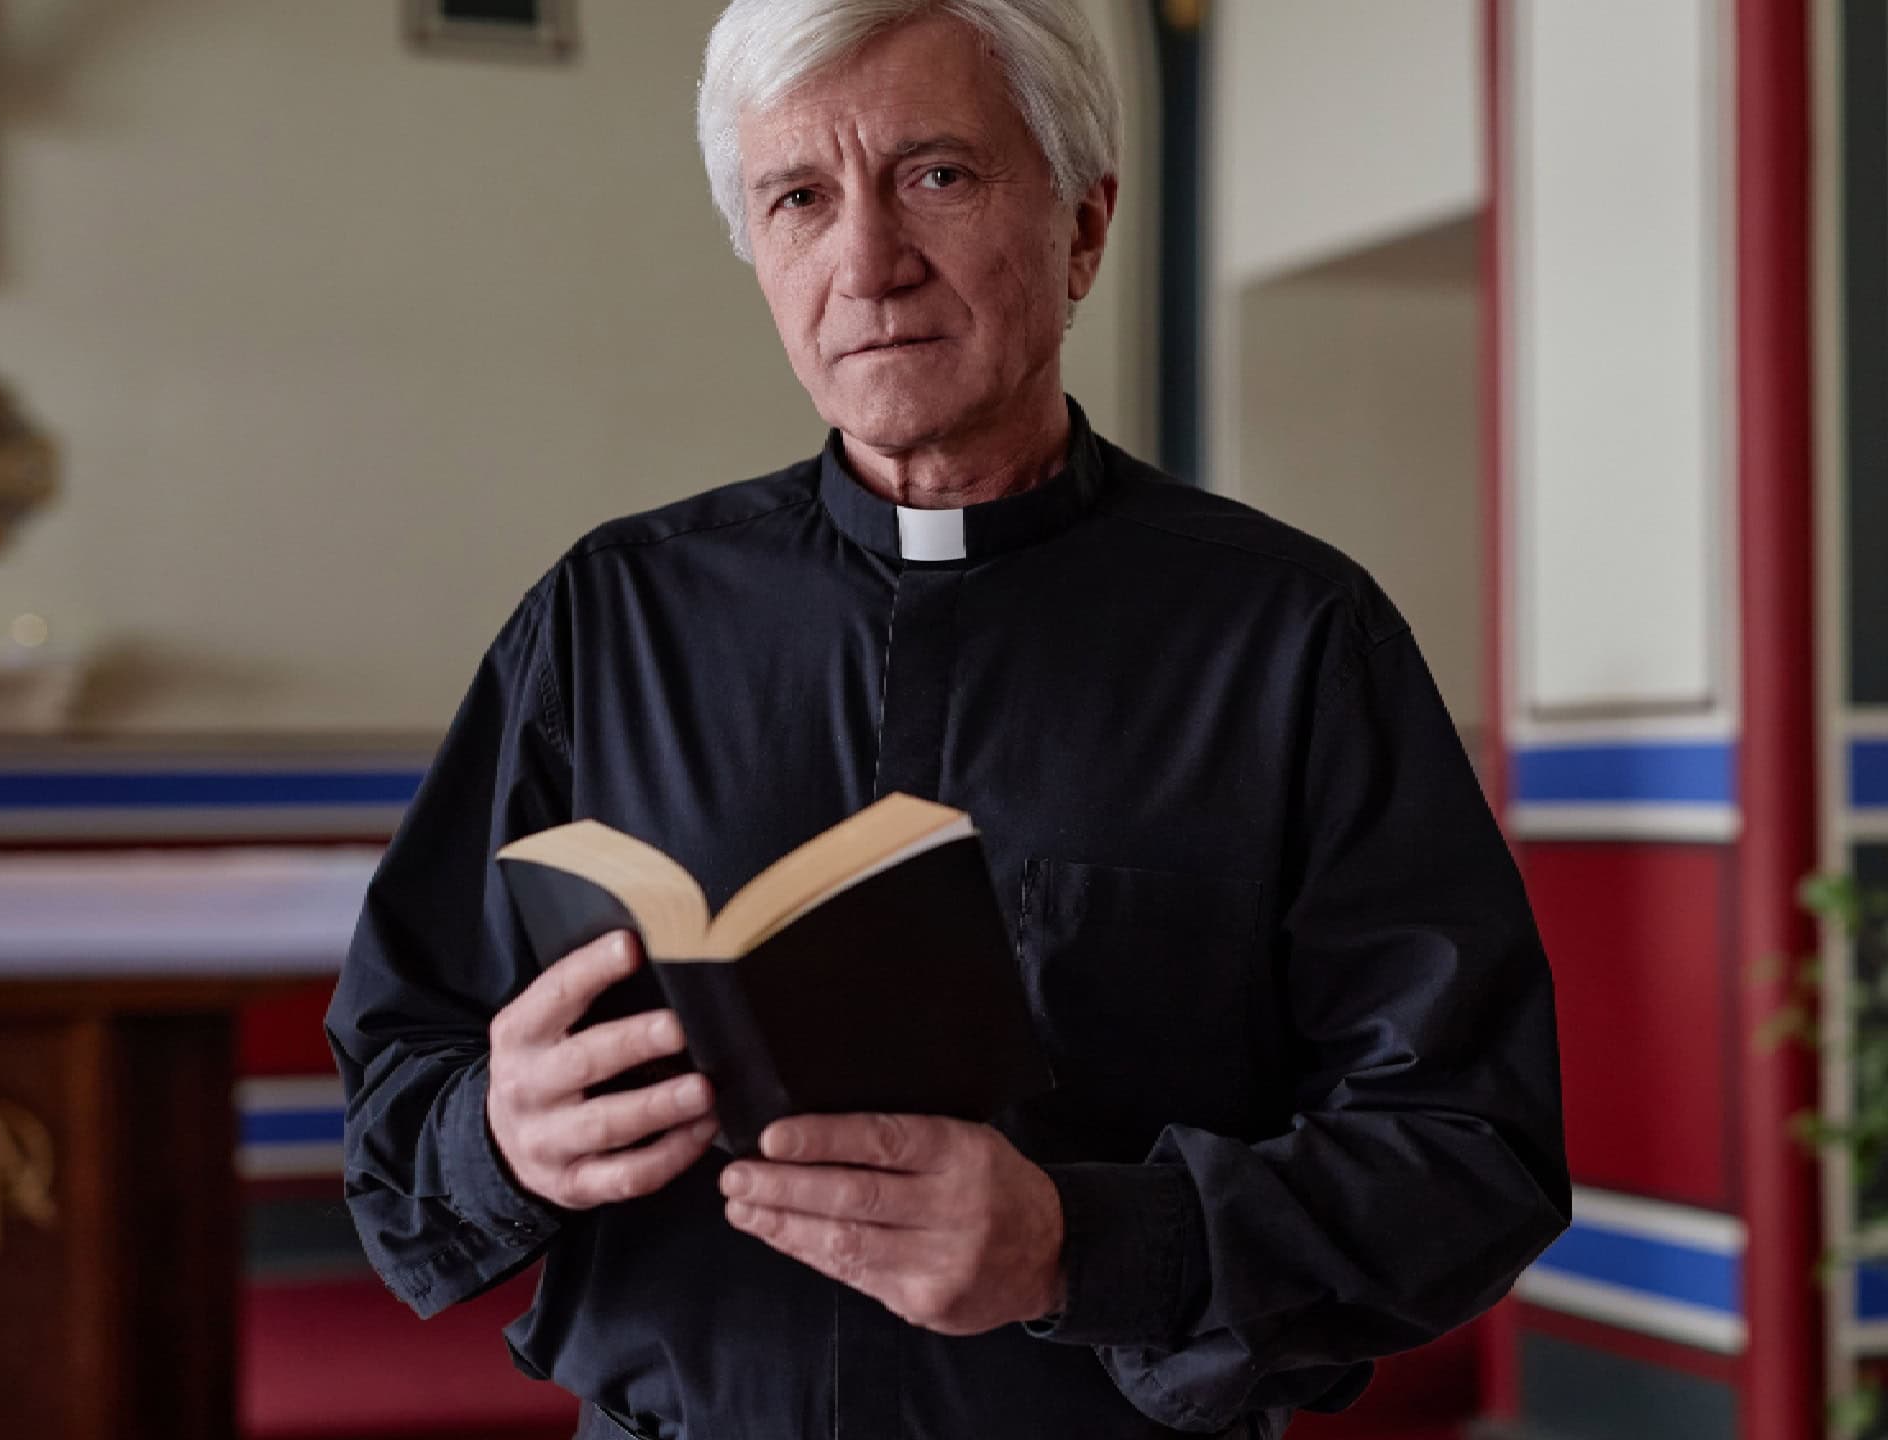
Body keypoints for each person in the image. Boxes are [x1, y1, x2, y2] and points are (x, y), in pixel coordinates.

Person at [326, 2, 1569, 1435]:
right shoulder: (609, 619)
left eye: (937, 175)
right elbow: (394, 1099)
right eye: (799, 198)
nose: (868, 263)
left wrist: (1085, 1244)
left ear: (1086, 228)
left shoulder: (1292, 638)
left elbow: (1469, 1154)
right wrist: (503, 1132)